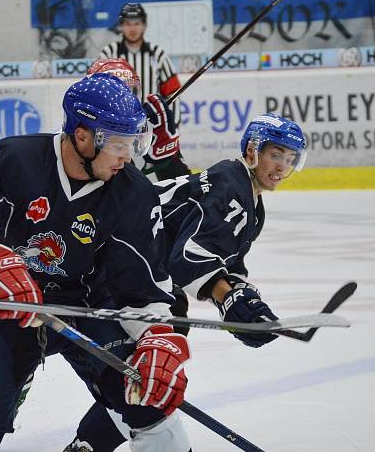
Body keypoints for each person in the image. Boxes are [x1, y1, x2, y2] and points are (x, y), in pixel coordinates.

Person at [0, 73, 191, 451]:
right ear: (82, 136)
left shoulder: (134, 193)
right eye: (118, 144)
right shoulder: (12, 159)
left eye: (133, 142)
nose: (128, 156)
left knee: (151, 404)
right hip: (8, 308)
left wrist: (156, 337)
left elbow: (143, 290)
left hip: (92, 309)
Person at [67, 113, 308, 450]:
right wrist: (229, 299)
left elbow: (227, 259)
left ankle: (89, 443)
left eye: (290, 158)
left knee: (152, 378)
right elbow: (188, 258)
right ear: (253, 151)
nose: (282, 166)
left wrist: (244, 298)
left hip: (151, 281)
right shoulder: (230, 185)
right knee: (151, 379)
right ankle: (95, 442)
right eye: (275, 154)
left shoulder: (248, 198)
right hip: (121, 276)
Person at [98, 3, 190, 181]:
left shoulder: (158, 54)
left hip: (155, 128)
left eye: (137, 23)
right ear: (121, 26)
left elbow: (173, 94)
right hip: (120, 129)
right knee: (123, 180)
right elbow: (100, 93)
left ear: (144, 25)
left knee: (179, 180)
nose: (132, 28)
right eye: (128, 23)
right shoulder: (109, 54)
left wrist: (171, 128)